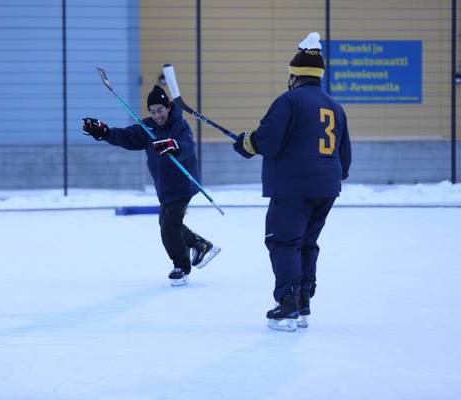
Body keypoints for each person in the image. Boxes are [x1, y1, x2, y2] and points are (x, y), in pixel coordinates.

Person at [233, 32, 352, 331]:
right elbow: (345, 158)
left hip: (293, 188)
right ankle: (303, 301)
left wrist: (247, 142)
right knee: (306, 244)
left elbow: (268, 141)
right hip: (327, 188)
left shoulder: (289, 101)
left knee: (284, 242)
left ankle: (287, 305)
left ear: (294, 75)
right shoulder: (335, 107)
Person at [82, 85, 220, 286]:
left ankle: (181, 267)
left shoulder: (179, 125)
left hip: (183, 183)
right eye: (153, 111)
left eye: (160, 110)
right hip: (164, 187)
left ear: (169, 108)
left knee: (169, 226)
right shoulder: (148, 128)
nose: (157, 116)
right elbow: (126, 137)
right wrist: (104, 132)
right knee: (168, 224)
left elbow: (187, 146)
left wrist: (173, 145)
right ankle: (200, 244)